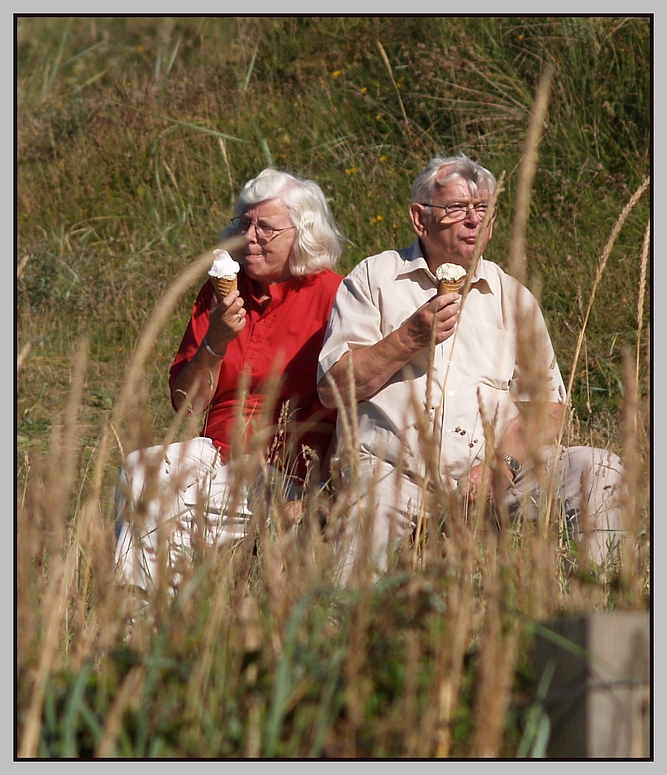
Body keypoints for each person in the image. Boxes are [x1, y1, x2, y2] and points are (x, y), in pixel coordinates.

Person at [317, 154, 625, 583]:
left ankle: (601, 609)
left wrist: (501, 466)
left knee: (600, 470)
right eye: (457, 209)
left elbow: (548, 406)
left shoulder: (512, 297)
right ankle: (345, 636)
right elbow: (334, 388)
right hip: (392, 476)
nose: (472, 221)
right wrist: (408, 338)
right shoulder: (375, 278)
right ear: (419, 218)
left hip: (498, 478)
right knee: (365, 527)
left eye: (482, 209)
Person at [114, 168, 344, 593]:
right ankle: (143, 617)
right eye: (245, 223)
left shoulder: (333, 295)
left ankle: (152, 616)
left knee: (168, 510)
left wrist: (324, 488)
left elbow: (349, 401)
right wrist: (215, 342)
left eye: (266, 228)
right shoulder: (219, 291)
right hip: (214, 452)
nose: (250, 237)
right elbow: (187, 403)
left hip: (286, 466)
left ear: (303, 234)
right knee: (139, 471)